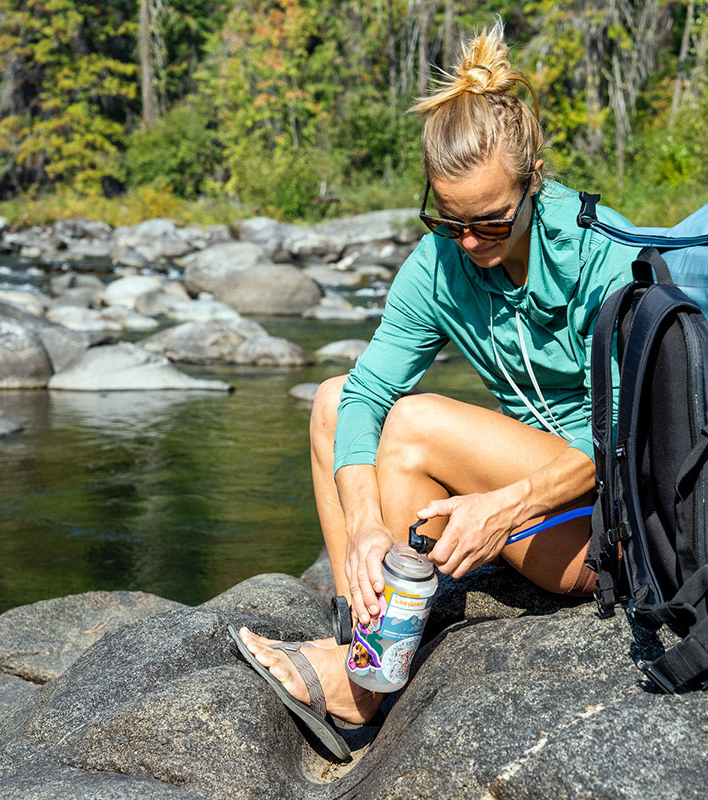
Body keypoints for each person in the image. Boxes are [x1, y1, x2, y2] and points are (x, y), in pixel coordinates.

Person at [235, 24, 638, 744]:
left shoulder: (602, 255)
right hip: (530, 493)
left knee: (415, 423)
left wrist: (502, 507)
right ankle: (360, 632)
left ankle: (361, 685)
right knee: (332, 400)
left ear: (534, 177)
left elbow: (629, 430)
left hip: (608, 523)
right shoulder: (441, 262)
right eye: (451, 222)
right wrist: (362, 526)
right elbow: (362, 396)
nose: (471, 243)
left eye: (492, 221)